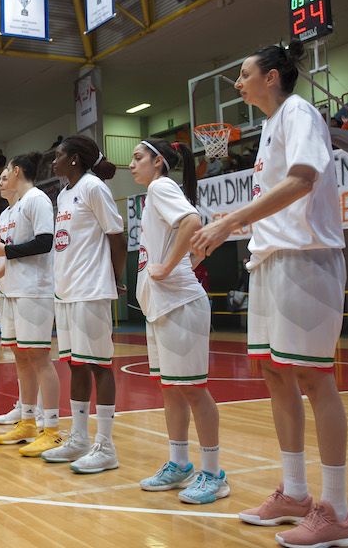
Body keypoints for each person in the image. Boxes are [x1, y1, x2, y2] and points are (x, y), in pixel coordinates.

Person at [191, 40, 348, 548]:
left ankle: (338, 512)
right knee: (274, 373)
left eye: (243, 75)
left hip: (307, 261)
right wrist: (234, 222)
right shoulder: (268, 127)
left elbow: (305, 178)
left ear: (271, 77)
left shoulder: (299, 112)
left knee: (313, 378)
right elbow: (276, 199)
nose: (237, 84)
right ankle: (296, 494)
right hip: (270, 262)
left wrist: (235, 220)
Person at [128, 137, 229, 503]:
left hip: (180, 304)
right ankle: (180, 464)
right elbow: (195, 242)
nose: (131, 165)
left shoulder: (160, 187)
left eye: (138, 158)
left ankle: (214, 473)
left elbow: (192, 222)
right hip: (160, 306)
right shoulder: (153, 194)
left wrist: (170, 267)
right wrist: (181, 263)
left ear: (158, 162)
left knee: (193, 389)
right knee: (171, 388)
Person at [38, 136, 127, 474]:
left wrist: (114, 279)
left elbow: (117, 237)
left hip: (91, 290)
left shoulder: (94, 187)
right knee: (76, 364)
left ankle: (106, 446)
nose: (52, 162)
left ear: (74, 159)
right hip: (67, 291)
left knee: (99, 366)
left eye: (57, 157)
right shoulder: (63, 194)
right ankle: (79, 437)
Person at [0, 153, 61, 457]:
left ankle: (52, 429)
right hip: (11, 290)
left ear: (17, 171)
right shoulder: (9, 212)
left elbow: (44, 242)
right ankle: (28, 421)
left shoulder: (37, 199)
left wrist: (4, 249)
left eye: (4, 174)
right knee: (20, 357)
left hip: (34, 290)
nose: (0, 181)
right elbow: (6, 255)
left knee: (38, 357)